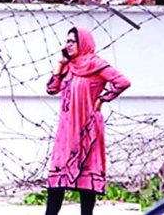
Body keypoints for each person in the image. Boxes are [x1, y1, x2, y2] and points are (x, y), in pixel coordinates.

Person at [44, 27, 131, 215]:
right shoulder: (69, 66)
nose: (67, 45)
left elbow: (122, 82)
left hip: (88, 126)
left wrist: (102, 99)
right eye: (66, 41)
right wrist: (59, 66)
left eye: (71, 41)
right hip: (66, 129)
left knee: (87, 176)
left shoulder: (96, 64)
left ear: (82, 42)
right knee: (58, 177)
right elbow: (52, 89)